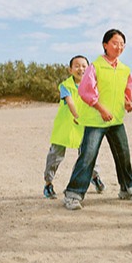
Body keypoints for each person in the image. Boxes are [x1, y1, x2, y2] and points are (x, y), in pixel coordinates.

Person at [63, 29, 132, 210]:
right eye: (115, 43)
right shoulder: (95, 66)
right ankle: (73, 194)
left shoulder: (125, 69)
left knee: (123, 156)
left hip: (116, 120)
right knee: (88, 156)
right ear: (105, 45)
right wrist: (101, 109)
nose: (119, 47)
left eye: (122, 44)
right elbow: (85, 91)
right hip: (96, 120)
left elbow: (125, 91)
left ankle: (127, 189)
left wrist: (127, 103)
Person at [42, 55, 105, 198]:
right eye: (77, 66)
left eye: (84, 66)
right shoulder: (66, 86)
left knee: (89, 153)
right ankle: (48, 183)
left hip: (84, 125)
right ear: (70, 70)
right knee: (55, 156)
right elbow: (70, 103)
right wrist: (77, 117)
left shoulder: (93, 85)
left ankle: (95, 178)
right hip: (66, 126)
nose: (81, 69)